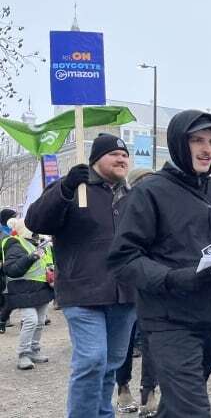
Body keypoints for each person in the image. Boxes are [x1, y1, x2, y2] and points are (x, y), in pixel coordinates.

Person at [108, 110, 211, 418]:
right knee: (194, 410)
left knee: (176, 407)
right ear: (177, 143)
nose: (206, 149)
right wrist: (173, 277)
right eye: (197, 140)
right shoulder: (149, 192)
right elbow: (123, 259)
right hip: (167, 320)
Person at [25, 133, 136, 418]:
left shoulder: (131, 196)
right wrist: (64, 187)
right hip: (82, 292)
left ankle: (102, 413)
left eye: (125, 155)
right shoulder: (74, 188)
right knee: (92, 360)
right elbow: (36, 220)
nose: (122, 158)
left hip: (124, 294)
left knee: (111, 363)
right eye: (114, 154)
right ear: (97, 159)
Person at [113, 167, 159, 417]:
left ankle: (149, 391)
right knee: (126, 341)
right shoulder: (121, 207)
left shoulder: (164, 208)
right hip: (128, 285)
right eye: (147, 181)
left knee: (151, 339)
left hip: (154, 284)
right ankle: (123, 387)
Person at [1, 218, 54, 370]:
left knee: (40, 321)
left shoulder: (40, 243)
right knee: (31, 320)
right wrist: (31, 257)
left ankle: (34, 351)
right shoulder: (15, 244)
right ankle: (23, 354)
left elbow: (48, 263)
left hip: (42, 288)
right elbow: (11, 269)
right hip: (23, 289)